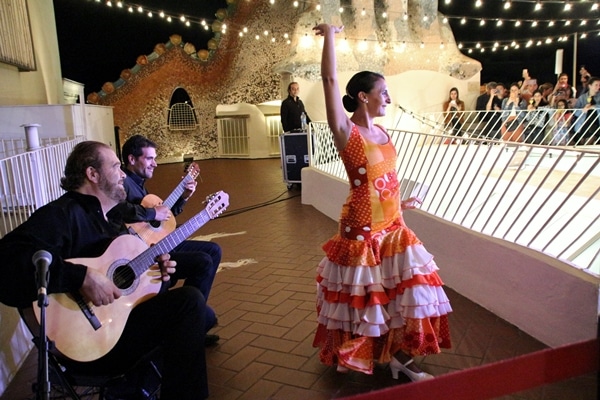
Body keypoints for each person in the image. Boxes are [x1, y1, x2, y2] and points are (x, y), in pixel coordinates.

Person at [0, 141, 209, 399]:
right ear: (92, 174)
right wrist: (81, 277)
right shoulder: (62, 214)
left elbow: (125, 285)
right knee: (188, 305)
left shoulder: (110, 219)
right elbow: (5, 264)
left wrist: (156, 275)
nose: (123, 174)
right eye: (115, 166)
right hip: (89, 343)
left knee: (192, 307)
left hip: (117, 326)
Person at [311, 23, 452, 382]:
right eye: (383, 92)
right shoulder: (347, 130)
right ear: (363, 96)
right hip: (361, 226)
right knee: (370, 299)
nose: (388, 98)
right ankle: (374, 357)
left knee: (409, 288)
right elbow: (329, 82)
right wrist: (330, 35)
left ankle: (395, 357)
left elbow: (383, 179)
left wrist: (400, 204)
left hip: (393, 223)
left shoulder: (384, 131)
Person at [108, 135, 221, 346]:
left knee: (213, 251)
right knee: (203, 261)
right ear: (131, 160)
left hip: (154, 241)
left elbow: (164, 217)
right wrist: (151, 214)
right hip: (142, 253)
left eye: (155, 158)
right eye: (150, 158)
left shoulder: (139, 185)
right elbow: (119, 209)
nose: (155, 163)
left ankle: (191, 321)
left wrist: (184, 197)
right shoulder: (123, 183)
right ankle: (189, 324)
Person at [572, 76, 600, 145]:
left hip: (595, 123)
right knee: (581, 142)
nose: (598, 87)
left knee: (589, 142)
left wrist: (593, 106)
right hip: (583, 123)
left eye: (599, 85)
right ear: (590, 86)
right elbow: (575, 112)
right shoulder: (582, 97)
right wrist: (582, 110)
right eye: (596, 85)